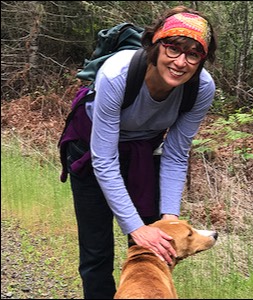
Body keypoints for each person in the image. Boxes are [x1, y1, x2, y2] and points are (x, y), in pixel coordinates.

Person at [66, 5, 217, 299]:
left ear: (202, 60)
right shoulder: (117, 73)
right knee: (97, 252)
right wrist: (135, 227)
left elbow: (175, 153)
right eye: (173, 49)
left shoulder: (202, 88)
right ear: (155, 45)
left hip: (142, 157)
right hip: (92, 152)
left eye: (193, 54)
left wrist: (169, 220)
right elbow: (104, 159)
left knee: (154, 247)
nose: (180, 62)